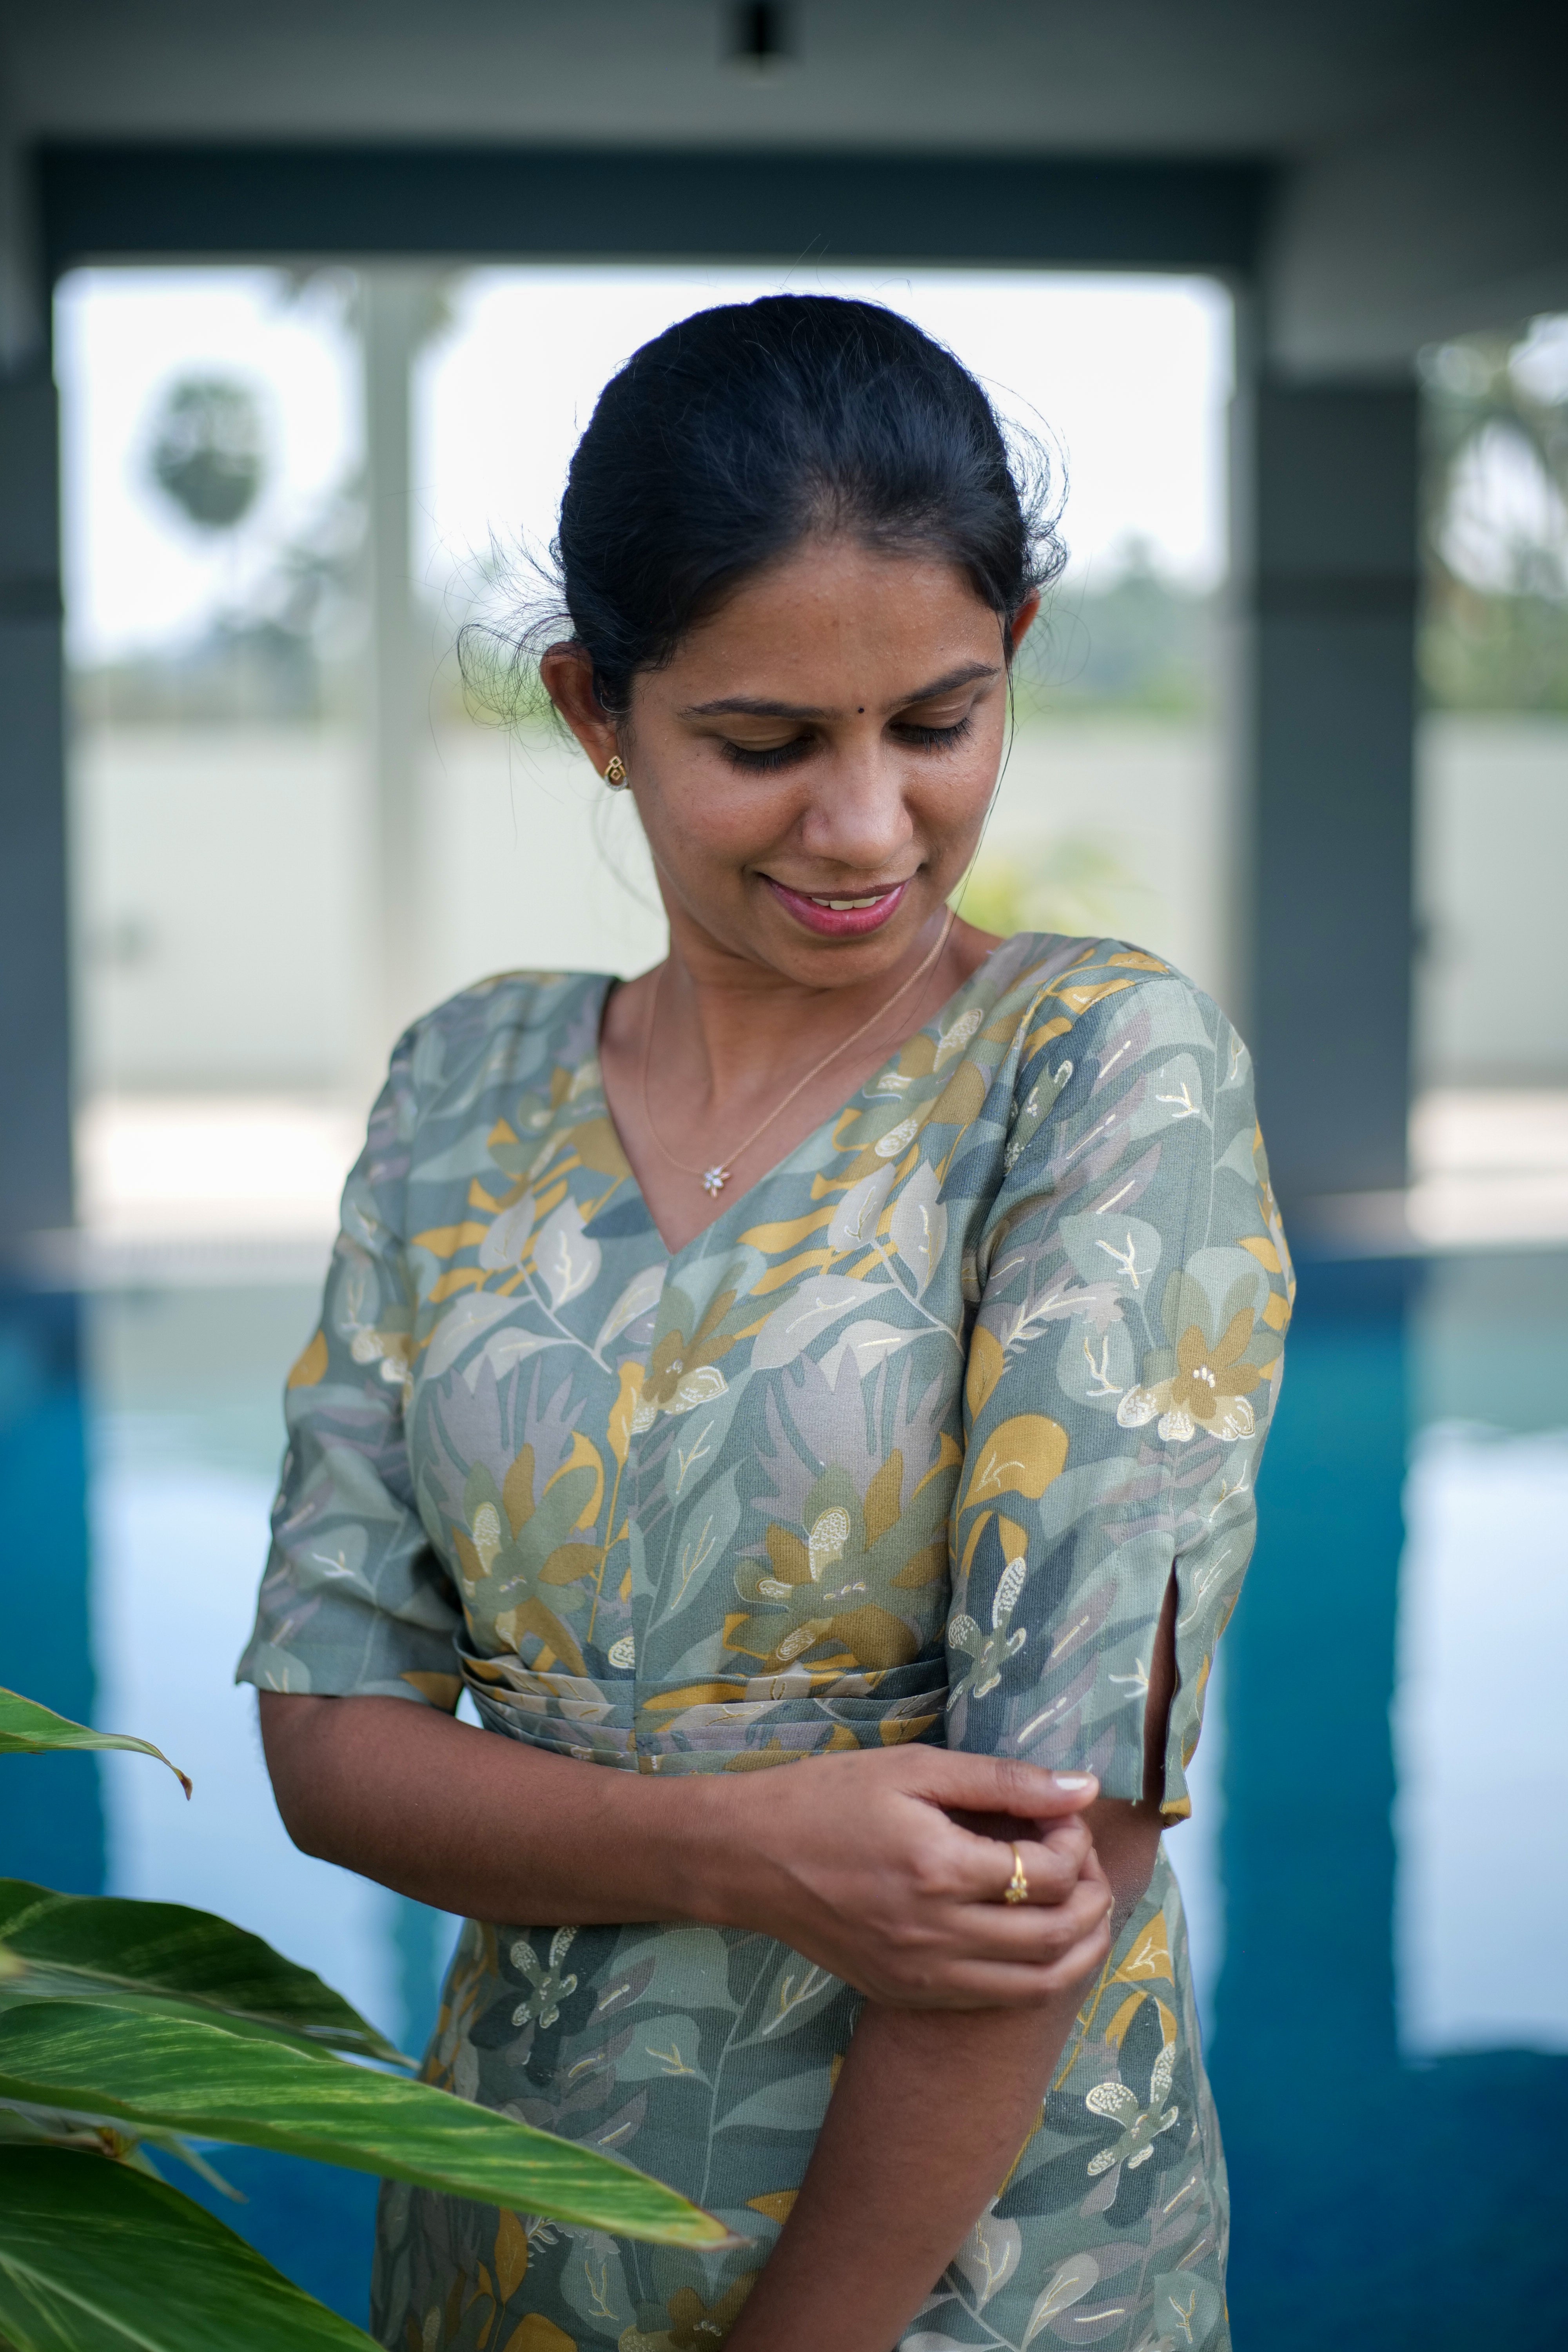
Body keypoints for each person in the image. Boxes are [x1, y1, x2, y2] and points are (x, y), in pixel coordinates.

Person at [242, 294, 1292, 2352]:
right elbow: (328, 1740)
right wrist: (737, 1849)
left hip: (968, 2274)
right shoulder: (462, 1094)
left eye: (938, 720)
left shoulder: (1092, 1070)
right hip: (509, 2230)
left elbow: (1051, 1849)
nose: (868, 829)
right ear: (593, 708)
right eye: (764, 745)